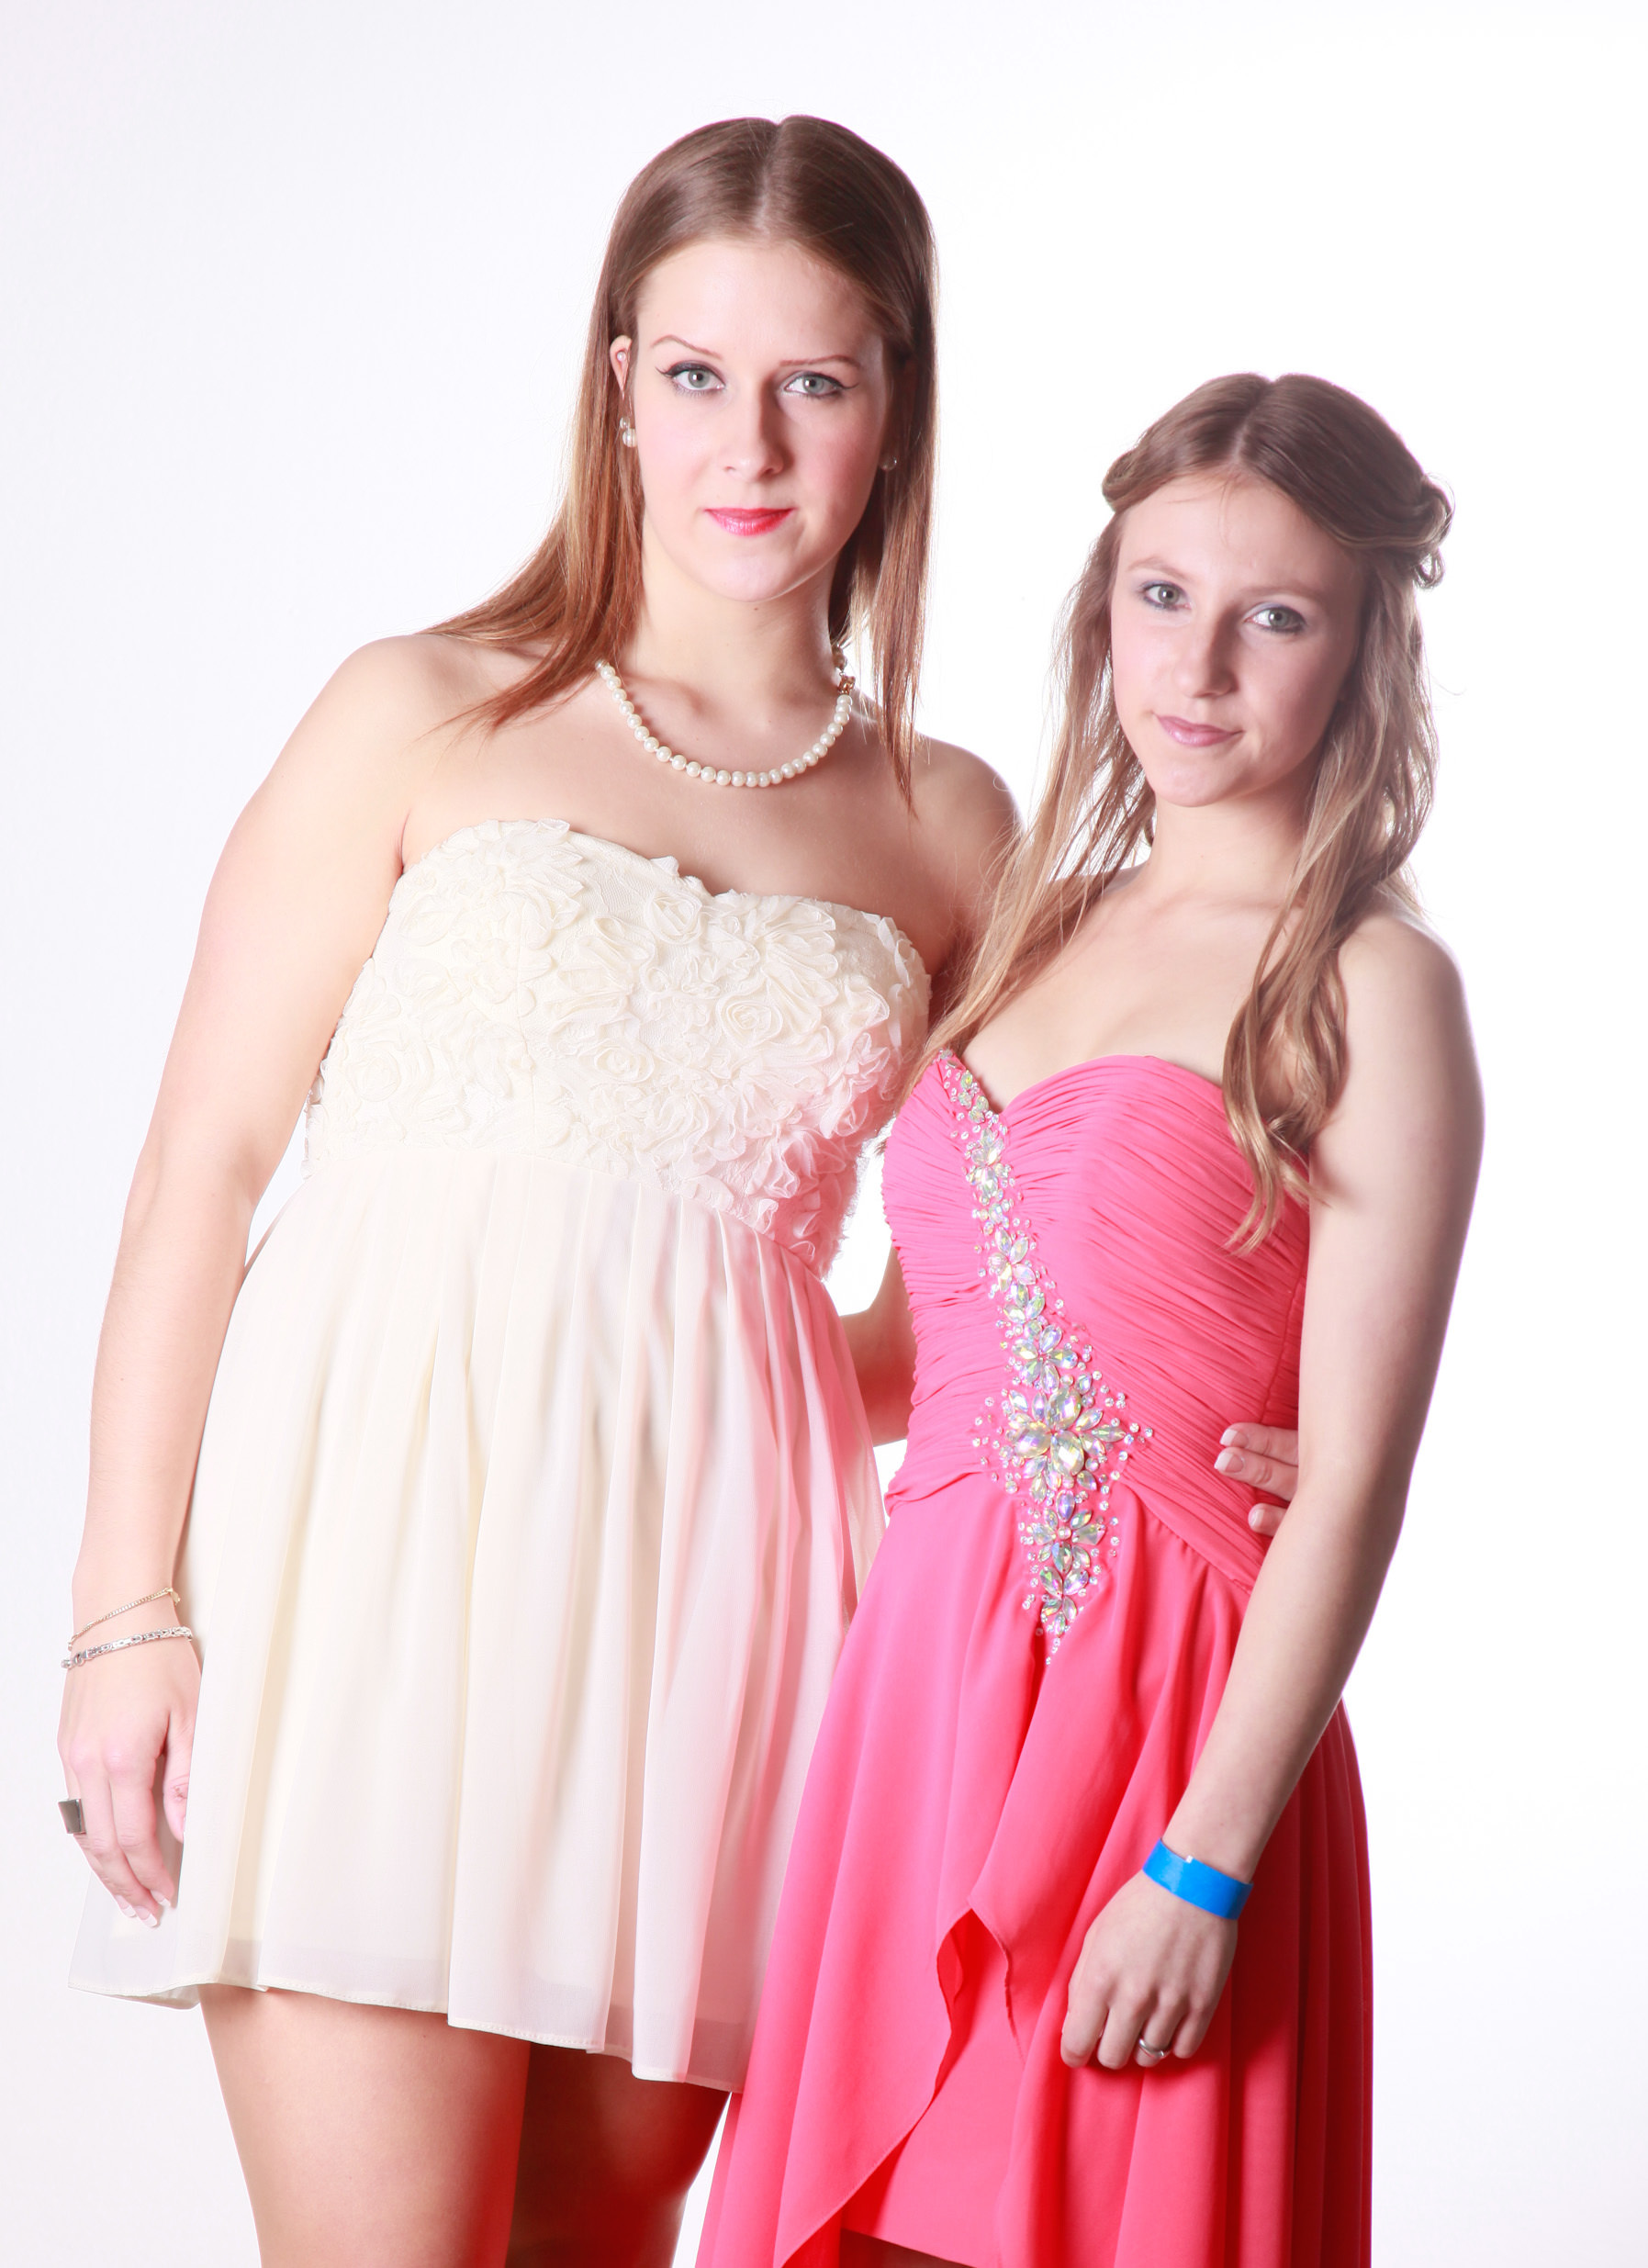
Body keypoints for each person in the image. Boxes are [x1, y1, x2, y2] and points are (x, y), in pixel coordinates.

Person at [54, 117, 1300, 2265]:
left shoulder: (945, 824)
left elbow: (1030, 1252)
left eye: (815, 381)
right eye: (700, 373)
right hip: (373, 1567)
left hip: (729, 1613)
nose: (751, 444)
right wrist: (123, 1612)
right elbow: (201, 1166)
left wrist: (1237, 1410)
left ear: (893, 408)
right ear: (618, 382)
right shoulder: (421, 710)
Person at [701, 373, 1482, 2268]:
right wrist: (602, 1318)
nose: (1196, 667)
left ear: (1362, 648)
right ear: (1100, 606)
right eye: (1159, 595)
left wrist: (1205, 1861)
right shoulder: (1023, 928)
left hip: (1173, 1729)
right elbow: (915, 1357)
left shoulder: (1372, 983)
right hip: (921, 1698)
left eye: (1272, 615)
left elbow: (1353, 1482)